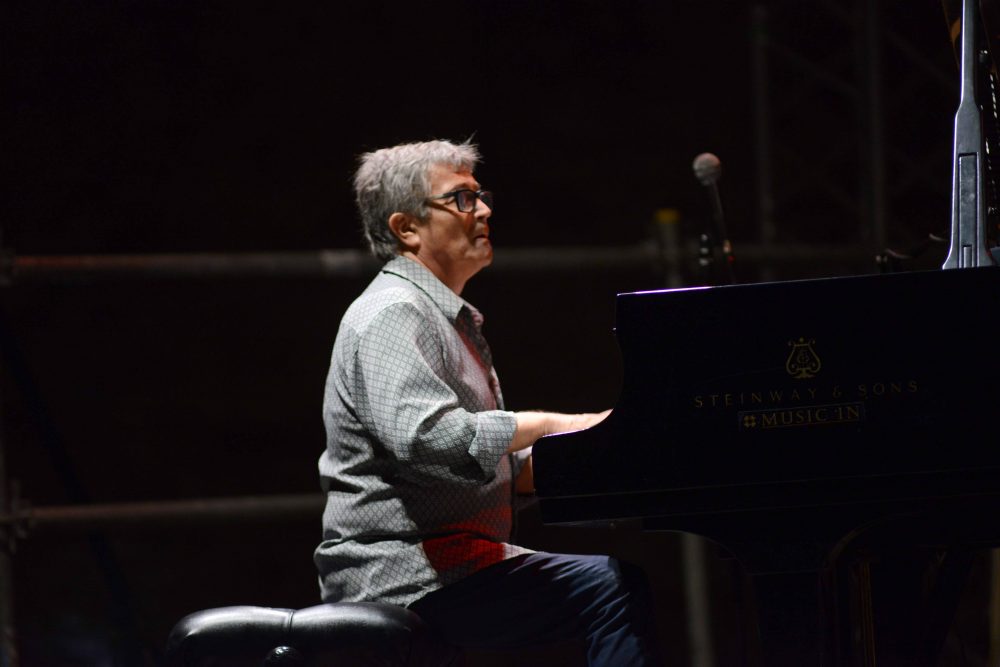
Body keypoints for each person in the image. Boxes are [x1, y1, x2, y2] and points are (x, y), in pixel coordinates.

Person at [314, 139, 662, 665]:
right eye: (461, 198)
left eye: (480, 196)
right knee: (612, 589)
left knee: (610, 583)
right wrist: (549, 423)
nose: (483, 210)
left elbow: (492, 465)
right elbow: (431, 440)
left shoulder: (439, 316)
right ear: (406, 228)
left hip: (449, 566)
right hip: (402, 574)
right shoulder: (393, 312)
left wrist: (610, 446)